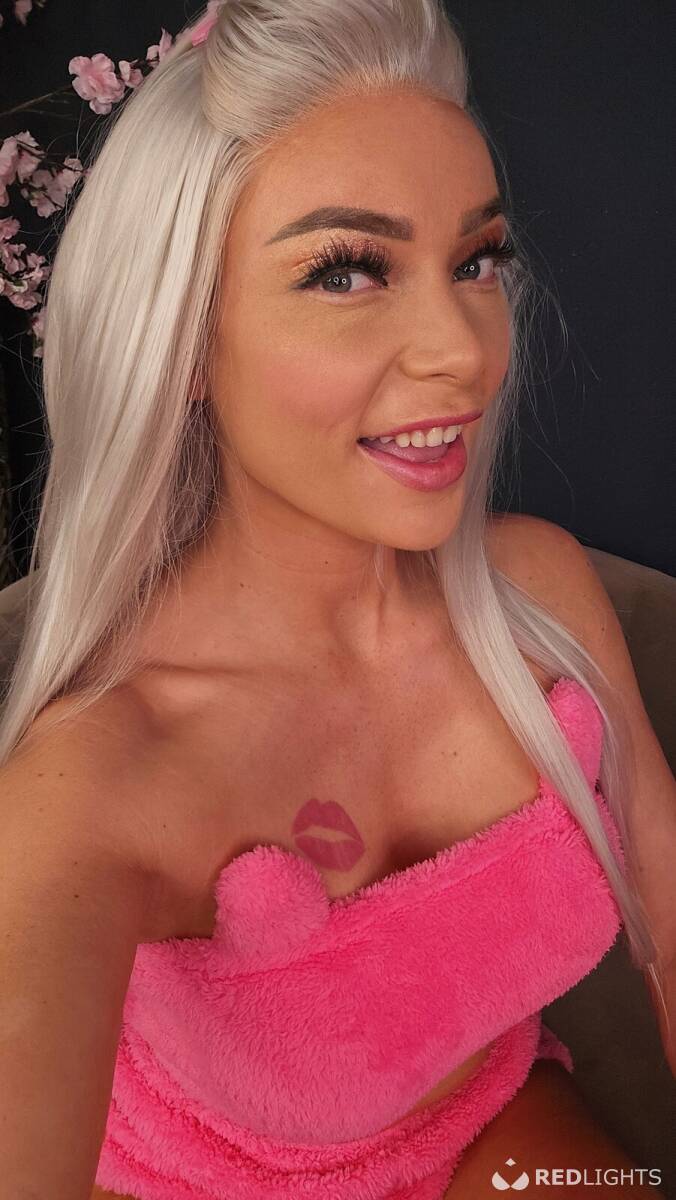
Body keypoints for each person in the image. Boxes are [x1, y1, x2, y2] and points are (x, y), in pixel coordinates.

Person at [1, 2, 673, 1198]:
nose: (462, 349)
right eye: (346, 270)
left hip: (490, 1117)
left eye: (474, 261)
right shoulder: (99, 777)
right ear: (182, 339)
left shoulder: (538, 592)